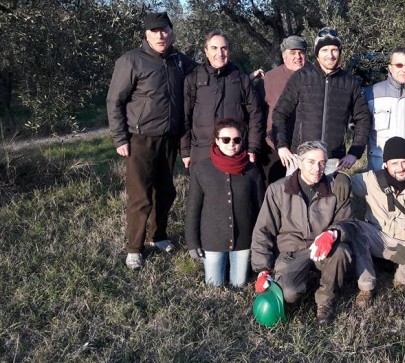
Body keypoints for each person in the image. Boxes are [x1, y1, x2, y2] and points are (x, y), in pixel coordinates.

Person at [107, 12, 195, 270]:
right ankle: (134, 248)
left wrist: (244, 77)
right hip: (140, 139)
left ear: (172, 31)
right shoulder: (131, 60)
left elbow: (207, 73)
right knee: (140, 197)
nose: (160, 35)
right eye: (154, 31)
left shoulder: (179, 61)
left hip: (170, 139)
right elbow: (115, 101)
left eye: (164, 30)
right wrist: (120, 137)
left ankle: (159, 236)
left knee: (166, 192)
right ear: (146, 34)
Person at [336, 137, 405, 307]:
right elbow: (347, 183)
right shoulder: (371, 179)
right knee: (355, 229)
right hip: (377, 237)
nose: (401, 168)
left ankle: (401, 275)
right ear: (386, 164)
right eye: (394, 163)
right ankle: (366, 286)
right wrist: (343, 176)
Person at [251, 141, 354, 323]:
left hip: (323, 248)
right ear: (299, 161)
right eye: (311, 162)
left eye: (322, 162)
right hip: (292, 251)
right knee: (288, 294)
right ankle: (304, 279)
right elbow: (263, 230)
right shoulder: (278, 189)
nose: (317, 168)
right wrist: (262, 269)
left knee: (341, 252)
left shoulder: (335, 188)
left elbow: (349, 222)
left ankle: (325, 300)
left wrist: (333, 233)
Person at [271, 27, 371, 174]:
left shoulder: (350, 82)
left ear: (340, 52)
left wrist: (354, 152)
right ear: (317, 53)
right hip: (300, 159)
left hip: (333, 161)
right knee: (295, 197)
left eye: (334, 50)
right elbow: (280, 113)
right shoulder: (301, 77)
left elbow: (363, 118)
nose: (330, 55)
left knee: (331, 198)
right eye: (324, 50)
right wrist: (281, 146)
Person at [185, 118, 265, 287]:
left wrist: (260, 242)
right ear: (217, 141)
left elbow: (260, 210)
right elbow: (193, 208)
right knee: (214, 285)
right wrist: (193, 242)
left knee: (239, 284)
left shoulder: (252, 170)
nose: (231, 144)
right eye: (225, 140)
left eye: (236, 140)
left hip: (244, 240)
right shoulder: (202, 168)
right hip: (212, 239)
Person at [182, 30, 263, 168]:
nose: (220, 53)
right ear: (206, 51)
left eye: (224, 48)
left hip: (235, 150)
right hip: (202, 151)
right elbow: (184, 117)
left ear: (229, 51)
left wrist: (252, 148)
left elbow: (255, 115)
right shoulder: (193, 78)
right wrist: (185, 151)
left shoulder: (241, 79)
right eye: (214, 48)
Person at [257, 36, 308, 184]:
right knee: (275, 193)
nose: (297, 57)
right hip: (274, 148)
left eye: (301, 52)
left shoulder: (314, 76)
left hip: (306, 149)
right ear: (284, 55)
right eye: (293, 53)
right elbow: (256, 112)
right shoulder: (269, 79)